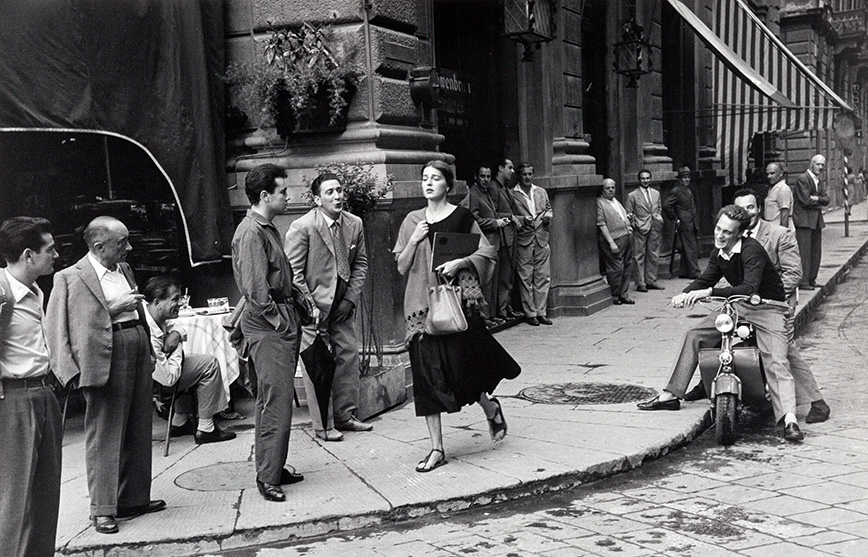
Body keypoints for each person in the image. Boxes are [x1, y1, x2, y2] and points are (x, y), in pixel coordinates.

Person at [637, 205, 804, 442]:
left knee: (776, 360)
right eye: (718, 228)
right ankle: (671, 394)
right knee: (695, 334)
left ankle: (789, 419)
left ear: (740, 234)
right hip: (739, 306)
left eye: (727, 232)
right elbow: (707, 277)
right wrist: (686, 294)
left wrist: (707, 292)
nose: (719, 235)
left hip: (768, 307)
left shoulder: (751, 250)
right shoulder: (719, 252)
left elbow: (749, 287)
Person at [393, 160, 519, 472]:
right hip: (422, 309)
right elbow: (401, 266)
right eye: (425, 178)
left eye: (435, 178)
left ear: (448, 185)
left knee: (462, 370)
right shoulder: (412, 220)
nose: (428, 183)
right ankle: (437, 448)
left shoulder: (462, 217)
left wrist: (460, 262)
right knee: (426, 379)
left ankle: (489, 407)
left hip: (458, 305)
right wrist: (413, 240)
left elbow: (486, 252)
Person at [46, 216, 164, 534]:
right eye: (122, 242)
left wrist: (149, 350)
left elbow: (138, 309)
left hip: (136, 346)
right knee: (105, 434)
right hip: (103, 355)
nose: (129, 247)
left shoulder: (124, 269)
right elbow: (55, 328)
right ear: (99, 246)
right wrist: (68, 372)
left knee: (139, 426)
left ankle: (134, 499)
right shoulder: (69, 278)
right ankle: (102, 509)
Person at [231, 164, 305, 502]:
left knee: (274, 399)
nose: (288, 196)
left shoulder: (265, 227)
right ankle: (268, 477)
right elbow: (256, 290)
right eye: (282, 191)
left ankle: (272, 467)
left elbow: (280, 275)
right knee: (275, 401)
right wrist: (281, 322)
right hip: (269, 325)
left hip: (277, 320)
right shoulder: (251, 233)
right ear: (265, 196)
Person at [285, 171, 372, 442]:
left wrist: (349, 299)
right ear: (317, 199)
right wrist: (310, 307)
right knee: (318, 366)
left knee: (347, 355)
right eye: (330, 192)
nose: (337, 196)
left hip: (342, 304)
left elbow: (360, 264)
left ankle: (346, 416)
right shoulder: (303, 227)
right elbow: (293, 273)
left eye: (339, 190)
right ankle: (323, 426)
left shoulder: (354, 223)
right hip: (313, 308)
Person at [0, 217, 62, 556]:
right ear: (28, 255)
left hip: (42, 393)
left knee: (45, 496)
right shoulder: (2, 292)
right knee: (16, 501)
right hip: (13, 399)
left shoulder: (36, 291)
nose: (55, 254)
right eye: (49, 249)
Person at [143, 275, 236, 444]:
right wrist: (177, 345)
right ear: (157, 302)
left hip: (161, 375)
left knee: (192, 362)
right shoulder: (149, 332)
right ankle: (206, 428)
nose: (181, 303)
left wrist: (176, 334)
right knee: (209, 364)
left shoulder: (152, 313)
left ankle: (180, 421)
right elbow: (169, 379)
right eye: (175, 299)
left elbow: (177, 326)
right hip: (156, 386)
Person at [464, 164, 509, 325]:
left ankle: (491, 315)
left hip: (494, 242)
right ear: (476, 176)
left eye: (489, 176)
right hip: (484, 242)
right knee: (486, 281)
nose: (486, 180)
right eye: (482, 176)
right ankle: (484, 316)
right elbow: (474, 219)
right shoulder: (474, 193)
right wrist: (494, 223)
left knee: (495, 280)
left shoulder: (487, 192)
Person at [511, 163, 553, 325]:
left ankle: (541, 311)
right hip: (524, 238)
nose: (527, 177)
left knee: (543, 276)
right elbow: (511, 215)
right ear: (519, 176)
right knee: (525, 277)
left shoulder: (541, 192)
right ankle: (530, 313)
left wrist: (548, 215)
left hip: (542, 237)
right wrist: (522, 220)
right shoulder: (513, 194)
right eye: (524, 174)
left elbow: (549, 208)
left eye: (530, 174)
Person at [491, 159, 522, 321]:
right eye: (509, 168)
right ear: (500, 167)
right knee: (503, 275)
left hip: (510, 235)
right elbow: (493, 212)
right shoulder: (493, 188)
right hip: (501, 237)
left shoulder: (505, 188)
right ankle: (502, 310)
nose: (512, 171)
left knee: (509, 274)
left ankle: (507, 307)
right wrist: (511, 217)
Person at [792, 154, 830, 290]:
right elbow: (805, 200)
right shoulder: (803, 179)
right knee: (805, 252)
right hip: (804, 221)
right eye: (818, 164)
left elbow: (827, 200)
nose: (820, 167)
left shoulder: (818, 180)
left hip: (815, 220)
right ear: (811, 164)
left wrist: (817, 199)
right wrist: (820, 200)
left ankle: (811, 279)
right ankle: (803, 282)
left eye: (822, 165)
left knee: (815, 251)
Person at [625, 169, 665, 293]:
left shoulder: (656, 193)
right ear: (639, 180)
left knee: (653, 254)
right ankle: (640, 283)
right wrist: (635, 223)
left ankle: (651, 281)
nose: (646, 180)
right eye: (643, 178)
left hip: (654, 226)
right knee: (639, 256)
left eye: (647, 178)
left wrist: (658, 218)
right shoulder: (632, 195)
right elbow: (629, 213)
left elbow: (659, 208)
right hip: (640, 228)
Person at [596, 179, 635, 305]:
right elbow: (601, 224)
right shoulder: (600, 203)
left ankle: (624, 294)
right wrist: (611, 242)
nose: (611, 190)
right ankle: (615, 295)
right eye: (608, 188)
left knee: (627, 266)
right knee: (616, 268)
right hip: (614, 239)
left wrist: (629, 223)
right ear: (602, 190)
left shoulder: (615, 201)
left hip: (626, 236)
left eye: (613, 187)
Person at [663, 166, 701, 279]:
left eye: (688, 177)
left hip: (691, 221)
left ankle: (684, 271)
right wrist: (675, 218)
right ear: (679, 179)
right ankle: (695, 272)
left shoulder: (688, 189)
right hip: (684, 223)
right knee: (691, 247)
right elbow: (666, 205)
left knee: (686, 248)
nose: (687, 180)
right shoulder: (676, 190)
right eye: (684, 178)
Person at [764, 162, 794, 230]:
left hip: (778, 227)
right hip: (772, 226)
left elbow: (784, 214)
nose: (769, 176)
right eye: (767, 174)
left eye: (772, 173)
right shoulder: (773, 188)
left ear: (781, 174)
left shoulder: (783, 189)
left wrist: (783, 233)